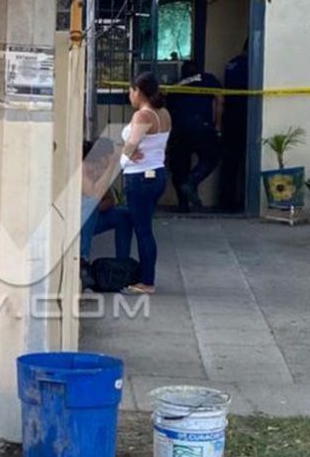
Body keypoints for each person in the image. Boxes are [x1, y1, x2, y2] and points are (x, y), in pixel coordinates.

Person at [120, 72, 172, 295]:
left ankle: (147, 281)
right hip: (157, 172)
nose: (129, 95)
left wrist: (124, 153)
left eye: (130, 91)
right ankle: (146, 275)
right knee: (146, 228)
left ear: (138, 91)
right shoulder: (164, 114)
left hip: (139, 177)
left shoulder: (142, 116)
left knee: (143, 231)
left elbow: (131, 145)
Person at [166, 60, 223, 212]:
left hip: (178, 128)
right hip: (200, 125)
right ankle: (192, 181)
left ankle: (183, 205)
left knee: (179, 168)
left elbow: (167, 110)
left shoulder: (175, 85)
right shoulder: (207, 79)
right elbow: (220, 99)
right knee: (213, 156)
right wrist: (218, 126)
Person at [81, 138, 133, 262]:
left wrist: (97, 208)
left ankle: (122, 262)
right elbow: (93, 194)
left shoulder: (98, 172)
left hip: (92, 218)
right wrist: (111, 165)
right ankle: (83, 257)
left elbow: (110, 200)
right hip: (76, 221)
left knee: (124, 215)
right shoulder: (81, 169)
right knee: (90, 204)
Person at [219, 41, 250, 212]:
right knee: (240, 160)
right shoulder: (248, 65)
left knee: (230, 161)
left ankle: (226, 199)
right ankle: (234, 201)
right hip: (243, 116)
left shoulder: (232, 63)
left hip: (230, 116)